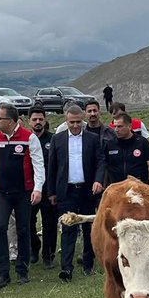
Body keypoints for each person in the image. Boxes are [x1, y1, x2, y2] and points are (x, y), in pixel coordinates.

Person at [0, 105, 44, 289]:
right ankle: (2, 273)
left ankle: (22, 270)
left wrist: (37, 189)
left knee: (23, 229)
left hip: (23, 192)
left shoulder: (29, 138)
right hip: (1, 192)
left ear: (10, 121)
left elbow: (39, 165)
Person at [46, 105, 106, 281]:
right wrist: (51, 192)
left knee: (88, 228)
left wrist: (98, 180)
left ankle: (88, 264)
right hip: (66, 191)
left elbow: (100, 161)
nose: (75, 125)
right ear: (66, 121)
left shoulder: (92, 139)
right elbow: (52, 167)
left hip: (87, 190)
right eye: (72, 122)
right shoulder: (57, 139)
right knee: (68, 228)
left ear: (83, 120)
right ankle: (66, 268)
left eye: (78, 122)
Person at [28, 107, 58, 268]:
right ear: (29, 121)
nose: (38, 122)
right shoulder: (26, 140)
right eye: (34, 119)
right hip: (30, 188)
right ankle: (34, 247)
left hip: (49, 188)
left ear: (45, 120)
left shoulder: (53, 140)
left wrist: (54, 190)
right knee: (28, 221)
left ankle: (48, 255)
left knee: (49, 223)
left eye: (40, 119)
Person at [103, 112, 149, 185]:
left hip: (138, 187)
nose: (116, 130)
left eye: (119, 126)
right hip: (117, 187)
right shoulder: (110, 144)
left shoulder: (142, 142)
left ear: (129, 126)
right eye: (115, 126)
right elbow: (104, 166)